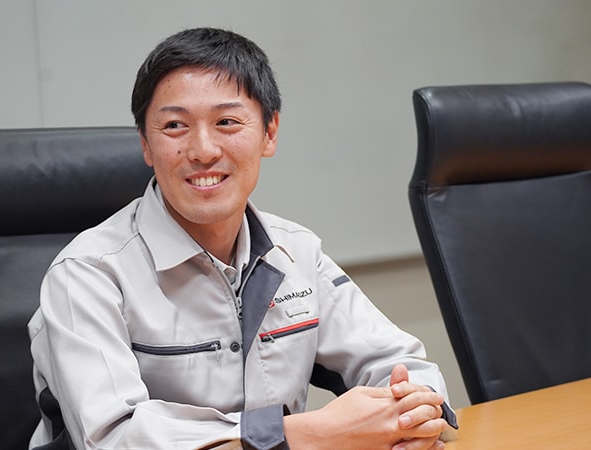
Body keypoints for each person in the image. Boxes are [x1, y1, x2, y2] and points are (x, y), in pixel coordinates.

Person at [28, 27, 458, 450]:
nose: (203, 150)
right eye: (175, 125)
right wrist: (306, 435)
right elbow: (115, 439)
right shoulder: (86, 274)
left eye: (227, 122)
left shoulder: (296, 251)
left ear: (270, 133)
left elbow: (404, 366)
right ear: (145, 143)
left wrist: (412, 418)